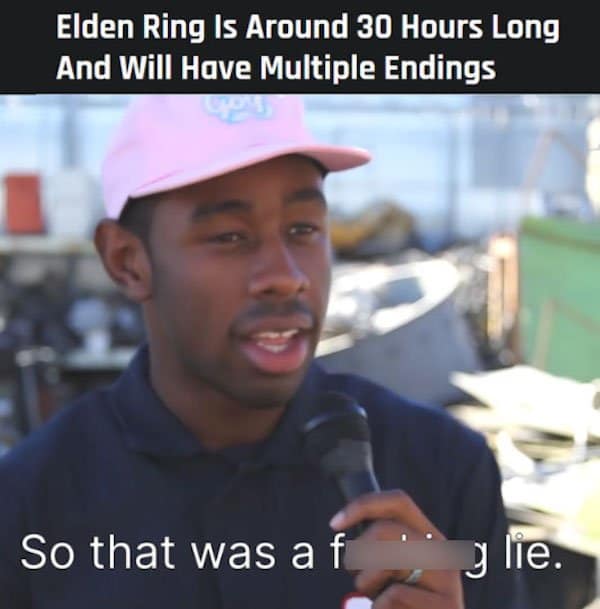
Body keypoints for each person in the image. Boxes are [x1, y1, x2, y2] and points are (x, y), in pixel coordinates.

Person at [0, 94, 530, 609]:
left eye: (303, 229)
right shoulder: (29, 506)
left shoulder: (442, 471)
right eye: (230, 236)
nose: (286, 276)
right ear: (127, 261)